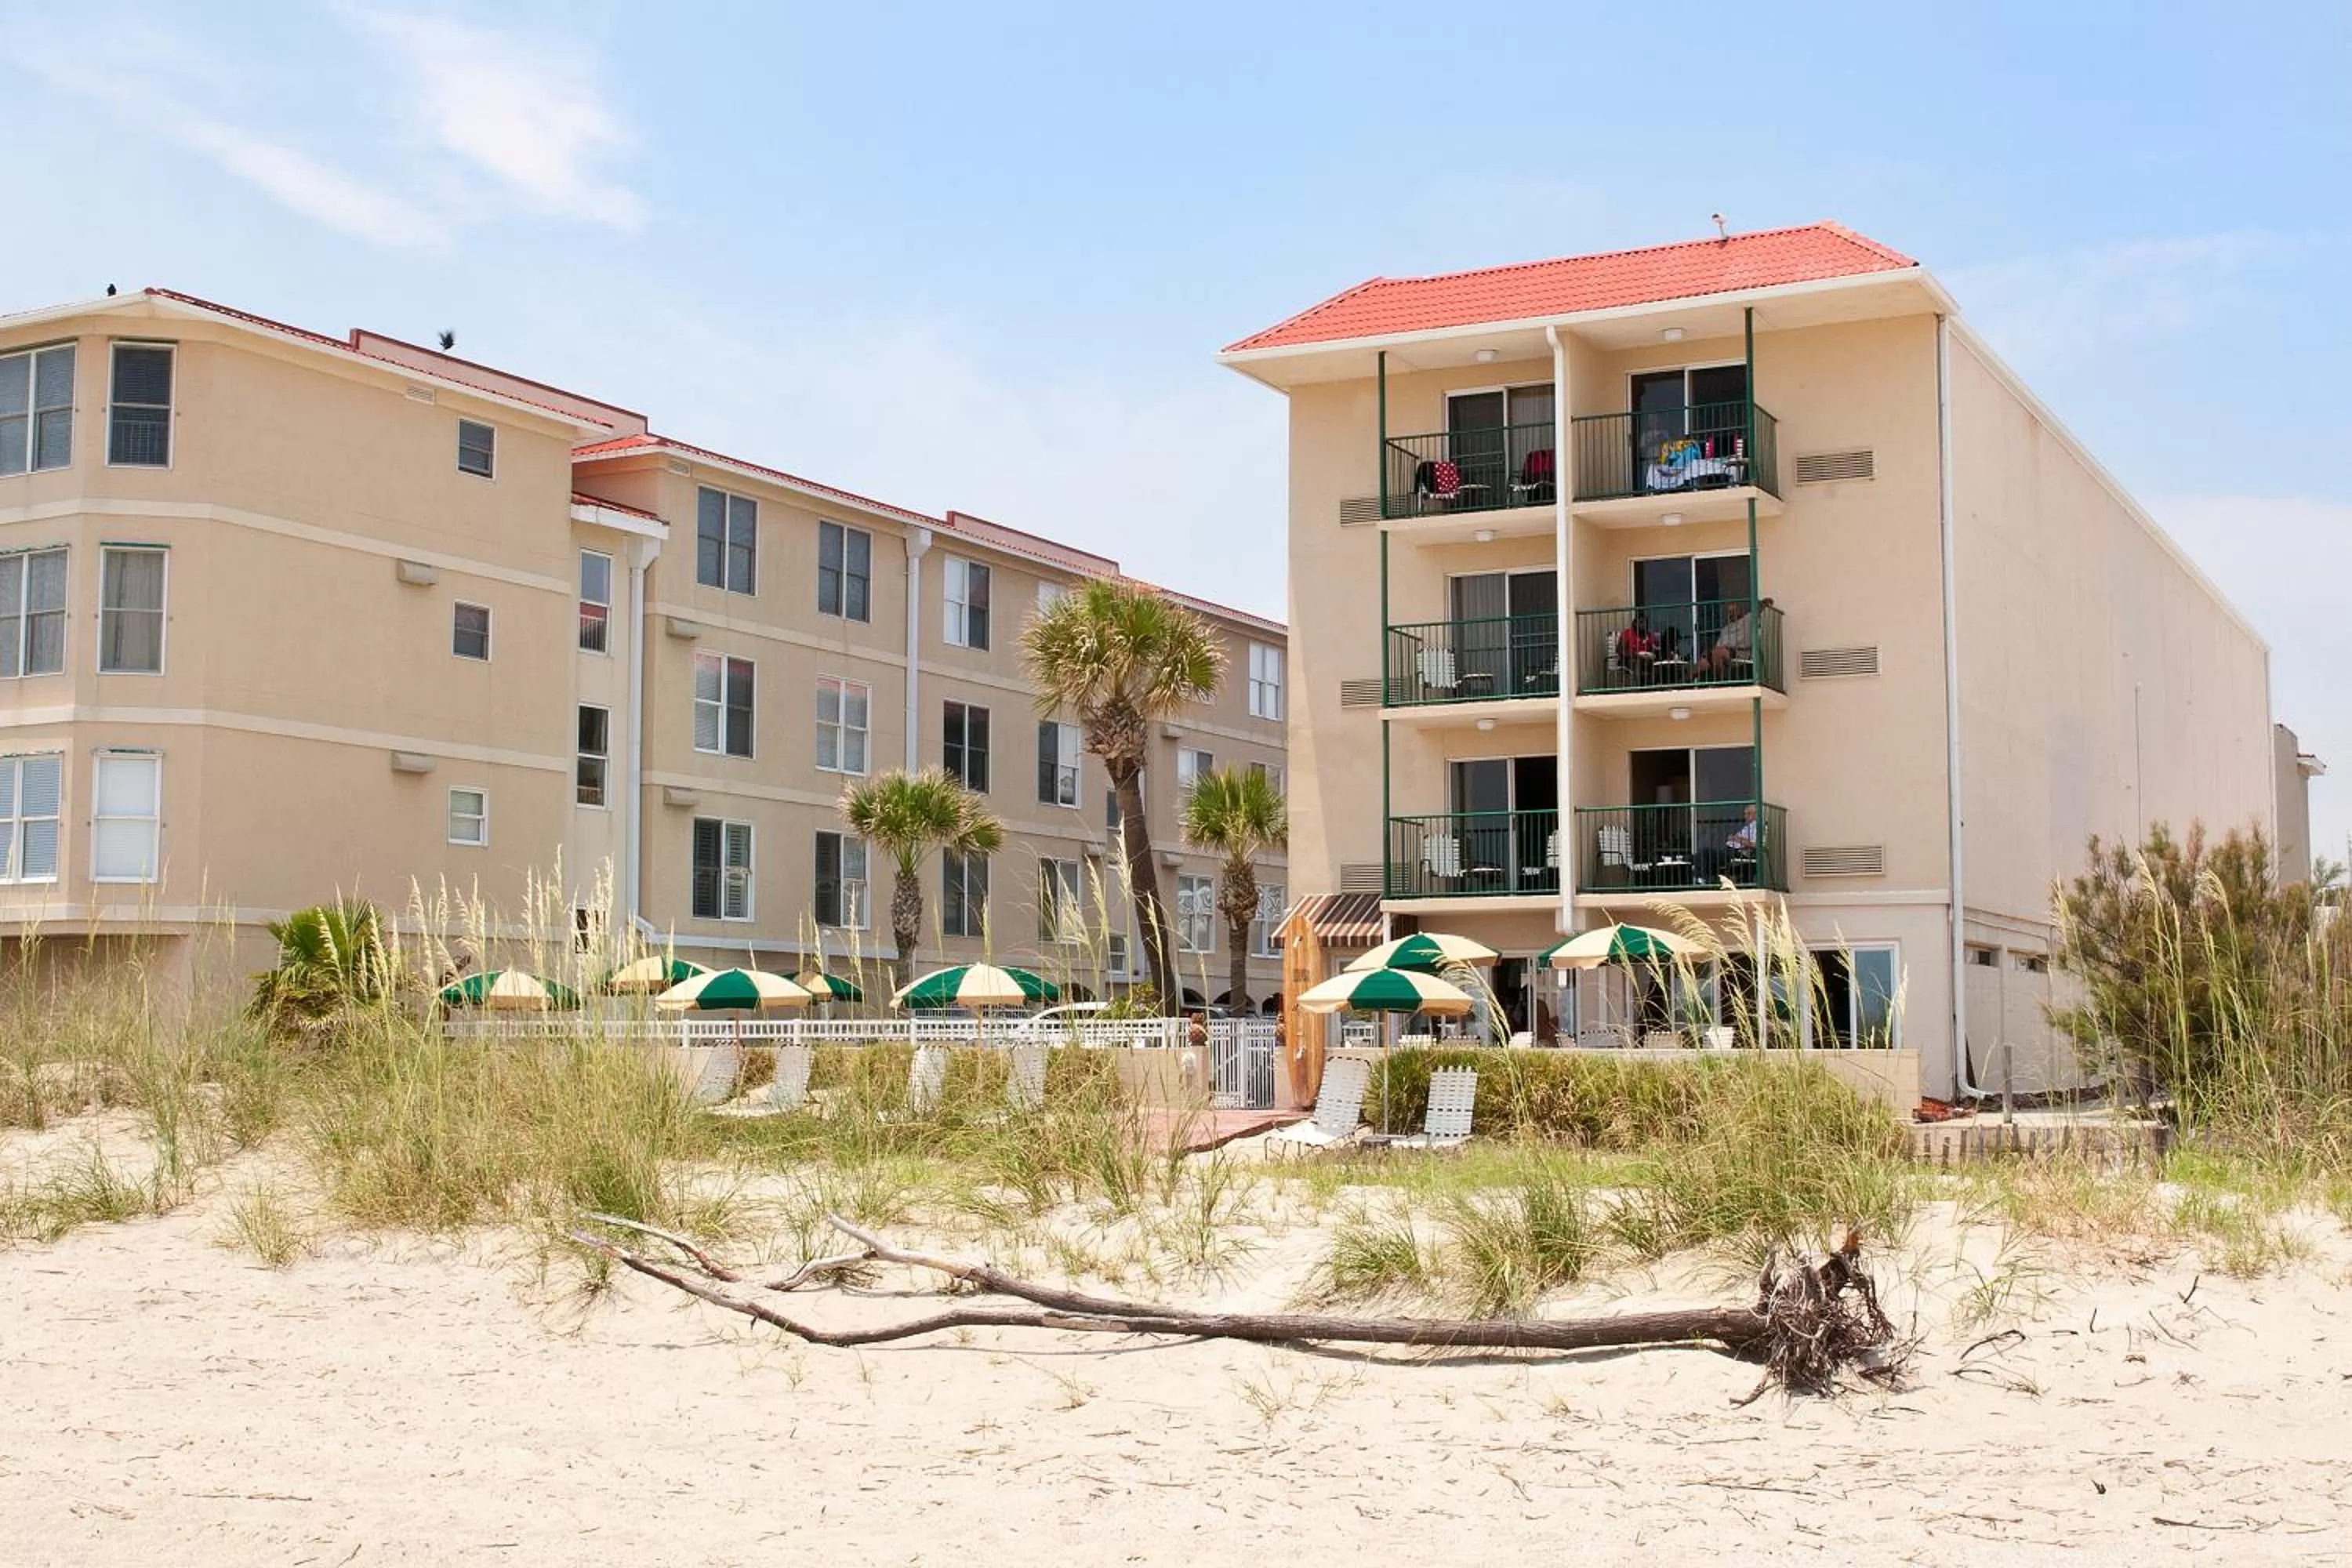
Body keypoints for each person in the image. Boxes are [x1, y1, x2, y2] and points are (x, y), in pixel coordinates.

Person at [1700, 597, 1769, 678]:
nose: (1731, 614)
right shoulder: (1725, 629)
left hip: (1739, 653)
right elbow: (1718, 645)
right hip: (1722, 652)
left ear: (1740, 611)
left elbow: (1758, 610)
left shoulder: (1747, 620)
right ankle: (1688, 680)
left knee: (1718, 653)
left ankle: (1719, 681)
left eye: (1733, 611)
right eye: (1729, 612)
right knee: (1704, 660)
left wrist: (1765, 603)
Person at [1614, 612, 1657, 683]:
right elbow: (1619, 650)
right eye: (1641, 622)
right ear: (1635, 623)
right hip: (1628, 660)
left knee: (1656, 663)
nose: (1643, 625)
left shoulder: (1648, 635)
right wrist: (1636, 654)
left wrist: (1653, 650)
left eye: (1645, 623)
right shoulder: (1627, 634)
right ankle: (1638, 687)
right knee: (1638, 661)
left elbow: (1653, 648)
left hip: (1646, 661)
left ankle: (1652, 686)